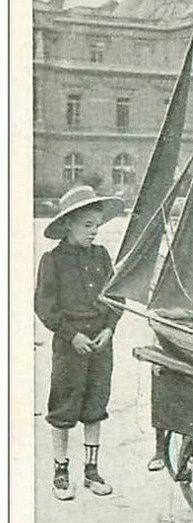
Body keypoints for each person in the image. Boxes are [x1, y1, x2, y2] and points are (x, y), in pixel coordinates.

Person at [35, 184, 123, 500]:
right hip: (69, 346)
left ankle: (91, 470)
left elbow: (116, 296)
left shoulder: (101, 256)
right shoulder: (52, 261)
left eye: (97, 225)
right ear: (68, 223)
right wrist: (72, 336)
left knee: (95, 405)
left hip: (101, 345)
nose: (93, 232)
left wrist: (109, 329)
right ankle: (61, 472)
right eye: (87, 225)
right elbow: (45, 307)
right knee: (63, 406)